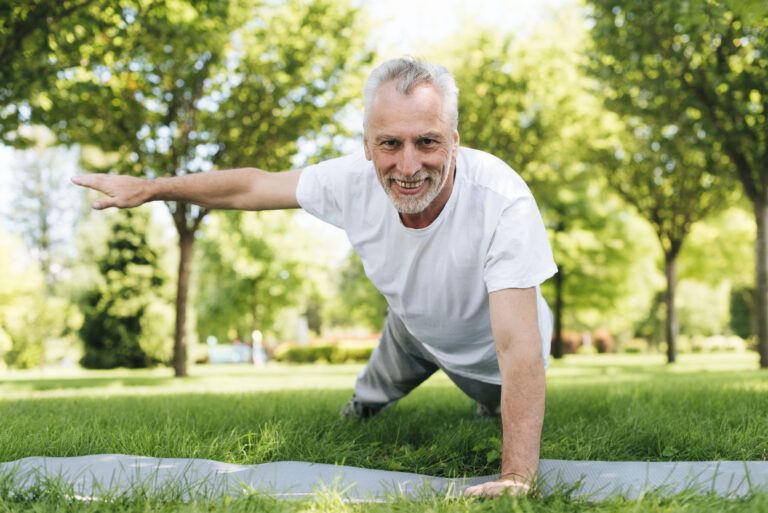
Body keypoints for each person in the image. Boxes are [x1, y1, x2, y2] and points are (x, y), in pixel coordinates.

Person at [72, 57, 557, 498]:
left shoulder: (501, 198)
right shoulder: (349, 181)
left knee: (494, 403)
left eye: (427, 142)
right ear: (367, 145)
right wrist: (154, 188)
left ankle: (485, 406)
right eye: (390, 143)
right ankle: (364, 406)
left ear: (453, 141)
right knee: (368, 395)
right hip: (412, 328)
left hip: (489, 359)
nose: (408, 165)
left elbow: (517, 347)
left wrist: (516, 475)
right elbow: (255, 185)